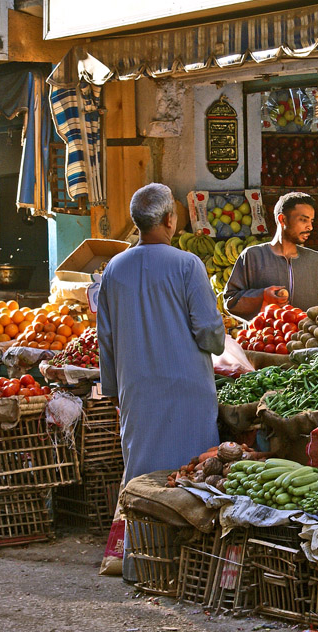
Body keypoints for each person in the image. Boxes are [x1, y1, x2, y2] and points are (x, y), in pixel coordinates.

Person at [97, 183, 226, 483]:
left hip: (137, 391)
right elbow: (209, 331)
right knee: (192, 477)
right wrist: (218, 344)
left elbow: (106, 338)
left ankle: (143, 530)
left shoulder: (114, 269)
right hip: (188, 392)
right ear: (169, 220)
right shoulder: (187, 265)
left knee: (143, 479)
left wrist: (115, 390)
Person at [223, 191, 318, 319]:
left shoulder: (316, 260)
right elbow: (230, 301)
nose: (310, 227)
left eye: (311, 221)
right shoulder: (253, 256)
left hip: (306, 341)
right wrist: (262, 296)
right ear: (282, 219)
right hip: (266, 342)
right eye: (303, 220)